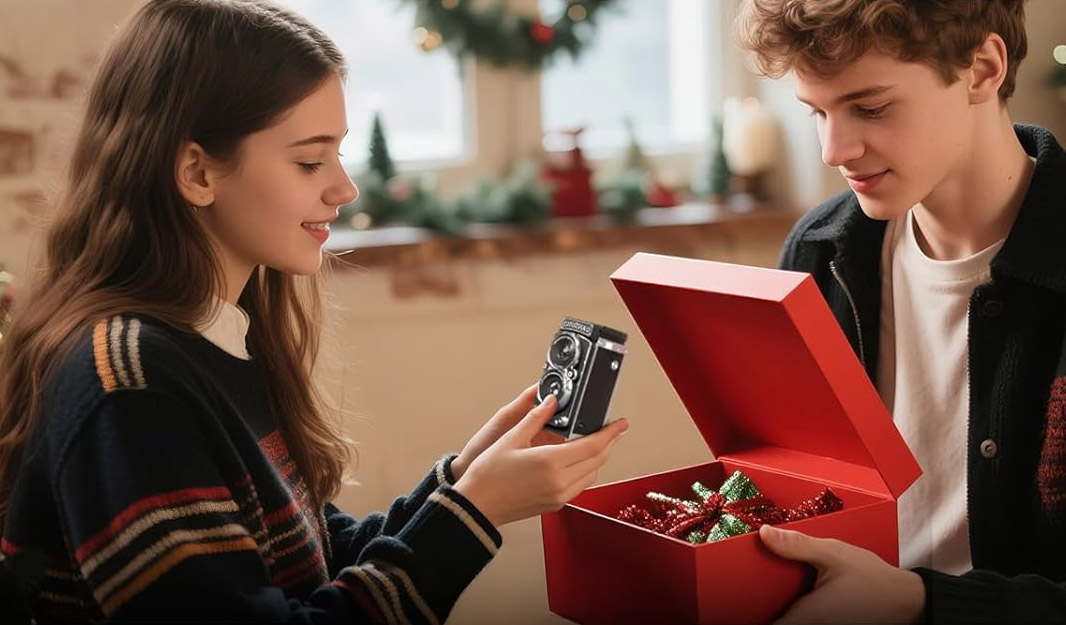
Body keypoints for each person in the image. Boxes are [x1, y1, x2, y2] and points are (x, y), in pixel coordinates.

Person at [0, 1, 628, 621]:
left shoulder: (212, 339)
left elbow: (314, 567)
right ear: (196, 172)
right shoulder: (131, 383)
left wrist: (464, 480)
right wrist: (474, 511)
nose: (344, 189)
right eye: (309, 161)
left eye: (338, 154)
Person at [737, 0, 1066, 622]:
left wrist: (920, 602)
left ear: (982, 69)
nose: (833, 149)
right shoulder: (818, 253)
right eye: (817, 113)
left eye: (870, 107)